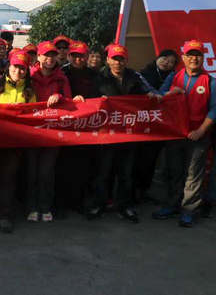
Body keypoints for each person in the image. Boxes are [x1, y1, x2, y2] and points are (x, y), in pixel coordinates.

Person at [86, 44, 160, 223]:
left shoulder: (135, 77)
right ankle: (99, 204)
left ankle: (125, 206)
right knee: (103, 172)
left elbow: (149, 90)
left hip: (129, 133)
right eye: (114, 58)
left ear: (126, 60)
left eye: (121, 59)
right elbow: (88, 100)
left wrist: (152, 94)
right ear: (108, 60)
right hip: (106, 134)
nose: (118, 62)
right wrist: (96, 101)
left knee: (126, 173)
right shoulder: (99, 78)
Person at [154, 40, 216, 227]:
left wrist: (200, 131)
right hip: (175, 133)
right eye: (190, 55)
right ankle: (172, 205)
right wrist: (171, 93)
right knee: (174, 171)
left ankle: (189, 210)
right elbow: (159, 96)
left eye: (197, 55)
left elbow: (214, 110)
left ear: (203, 58)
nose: (193, 58)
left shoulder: (210, 82)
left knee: (193, 174)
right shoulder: (174, 77)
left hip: (198, 136)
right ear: (183, 57)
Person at [0, 50, 37, 233]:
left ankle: (5, 214)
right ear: (9, 67)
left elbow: (34, 115)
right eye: (16, 67)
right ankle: (0, 208)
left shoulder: (30, 90)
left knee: (10, 176)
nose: (19, 71)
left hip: (17, 141)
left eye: (23, 68)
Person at [26, 41, 76, 223]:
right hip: (30, 130)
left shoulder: (61, 78)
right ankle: (31, 206)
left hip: (53, 131)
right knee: (31, 172)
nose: (49, 59)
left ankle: (45, 206)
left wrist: (60, 97)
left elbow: (70, 101)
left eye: (52, 55)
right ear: (38, 57)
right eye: (45, 55)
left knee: (47, 172)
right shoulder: (29, 76)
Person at [57, 41, 99, 215]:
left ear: (87, 57)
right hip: (65, 124)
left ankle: (79, 201)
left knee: (83, 165)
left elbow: (99, 93)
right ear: (69, 56)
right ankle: (61, 203)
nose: (78, 59)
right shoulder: (61, 73)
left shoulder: (94, 74)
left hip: (87, 126)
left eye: (81, 56)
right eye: (74, 55)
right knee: (63, 164)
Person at [135, 49, 179, 202]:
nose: (166, 62)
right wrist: (166, 95)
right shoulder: (143, 74)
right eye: (164, 58)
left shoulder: (176, 78)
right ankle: (134, 191)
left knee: (153, 159)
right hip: (144, 124)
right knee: (141, 157)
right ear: (158, 58)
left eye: (171, 61)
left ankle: (144, 191)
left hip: (163, 125)